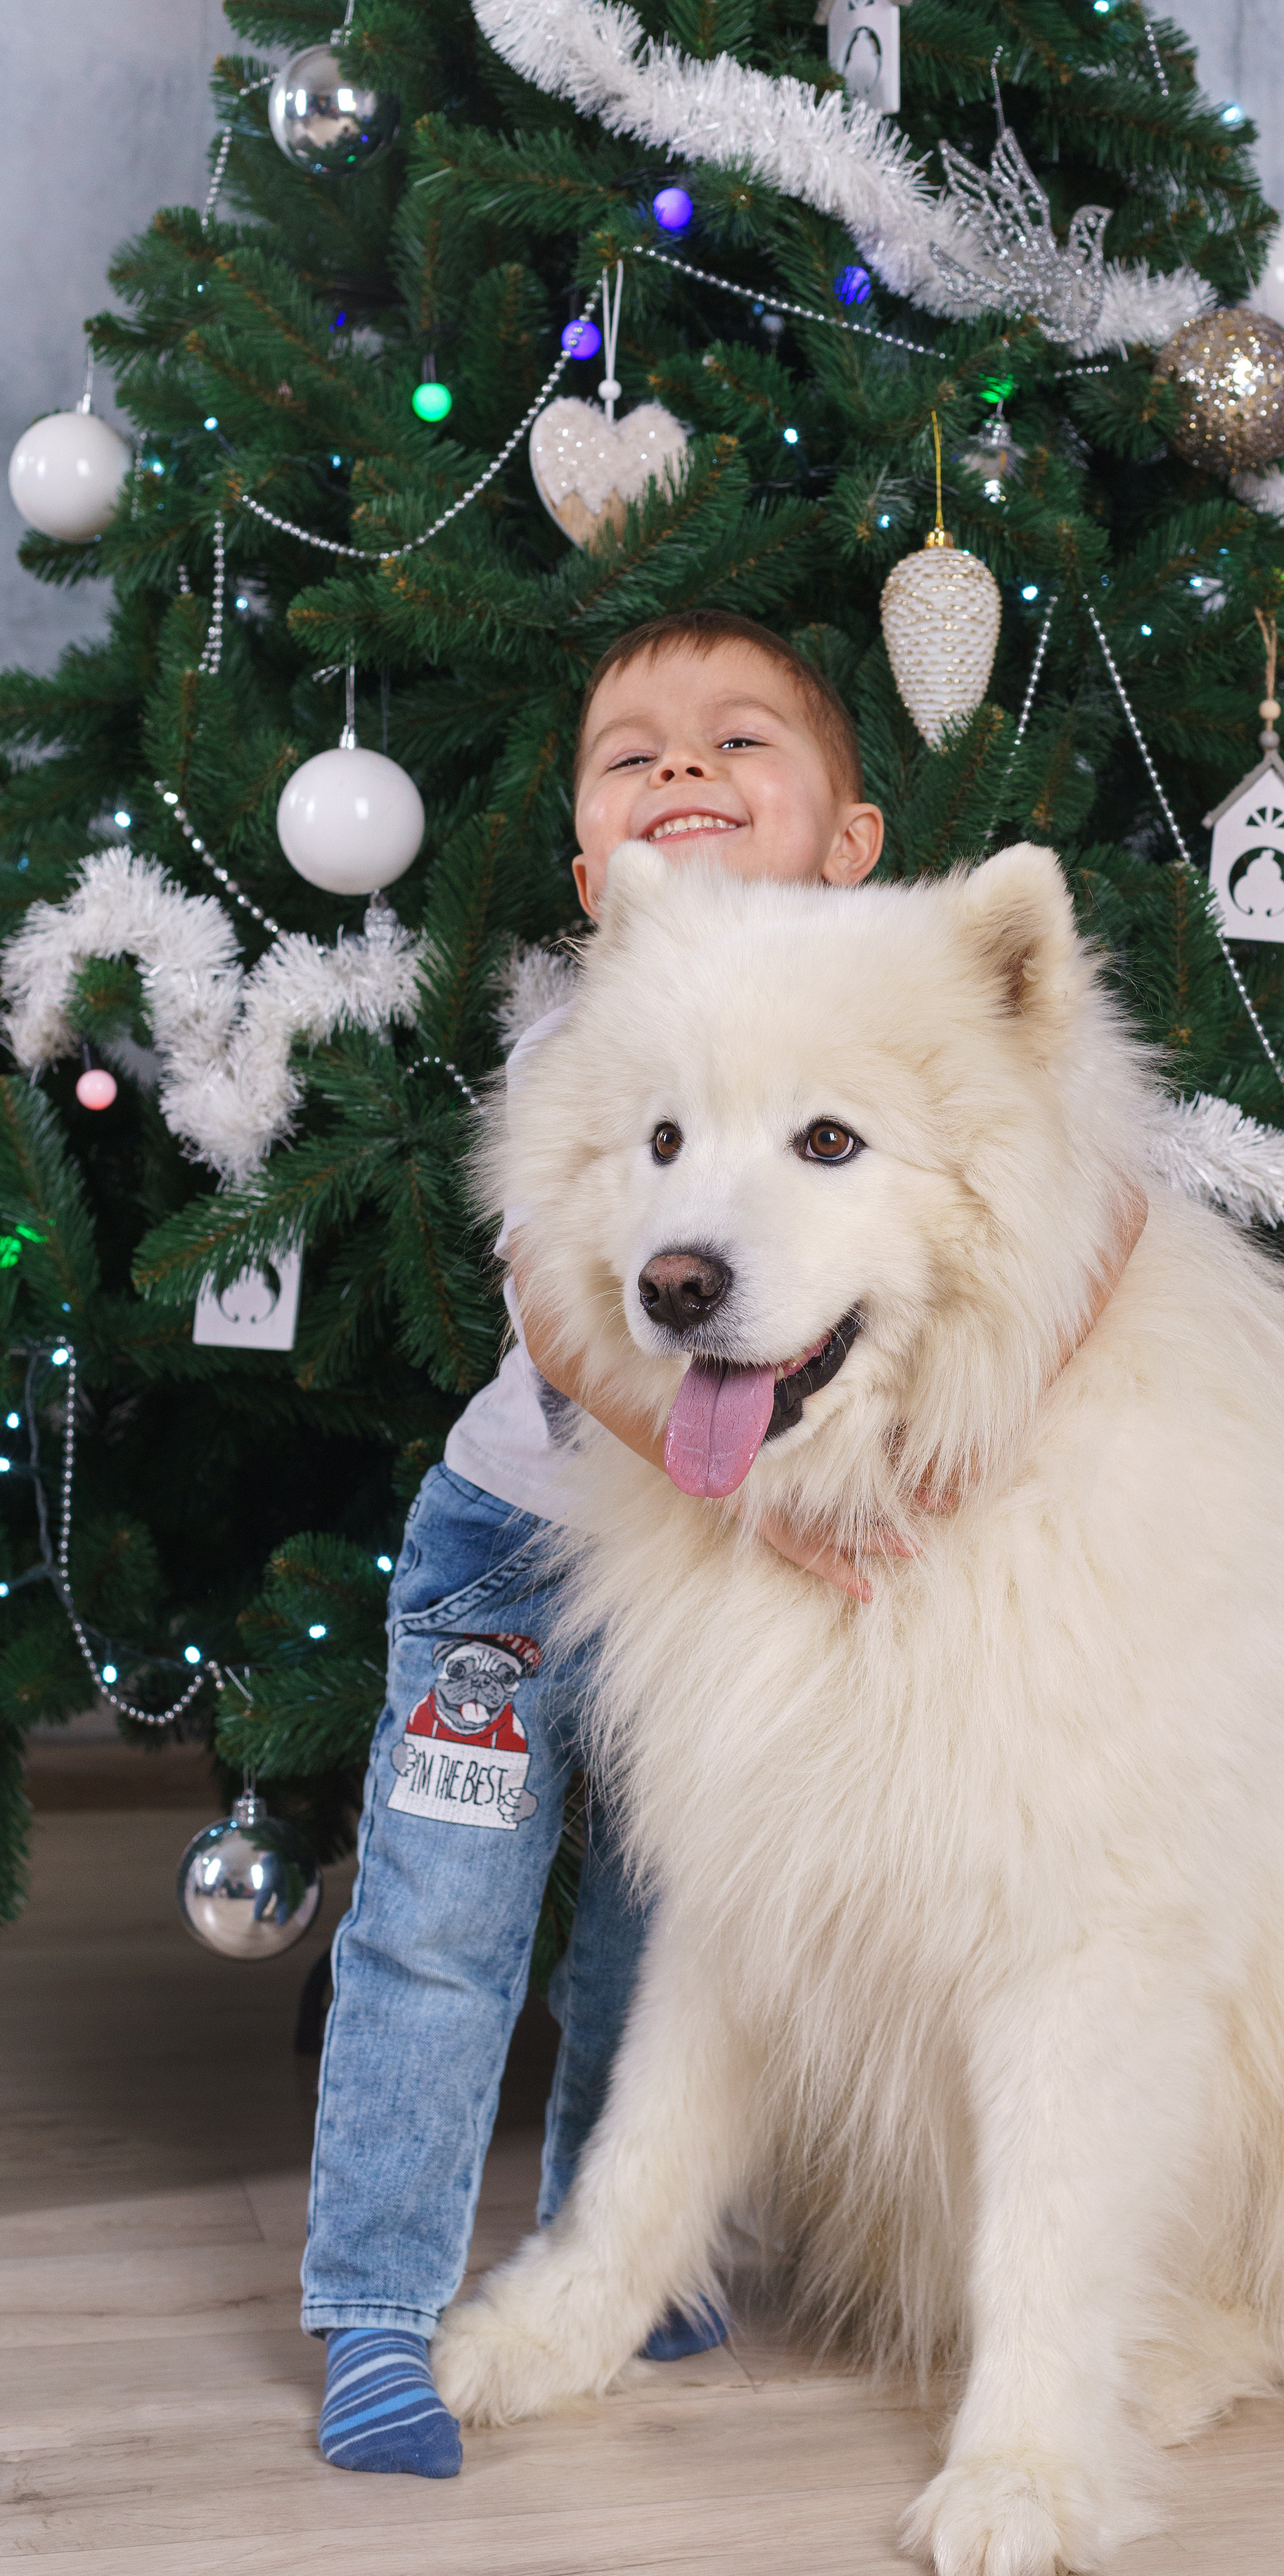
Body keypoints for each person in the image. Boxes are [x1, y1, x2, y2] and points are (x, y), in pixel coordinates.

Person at [303, 611, 892, 2479]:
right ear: (593, 870)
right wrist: (739, 1483)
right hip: (517, 1556)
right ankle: (377, 2307)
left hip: (701, 1600)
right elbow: (563, 1318)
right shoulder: (605, 1018)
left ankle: (607, 2257)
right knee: (441, 1931)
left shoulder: (891, 1023)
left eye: (738, 745)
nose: (685, 773)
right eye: (632, 759)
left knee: (663, 1934)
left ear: (853, 847)